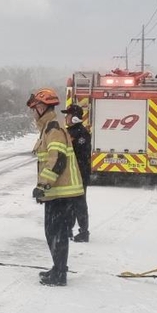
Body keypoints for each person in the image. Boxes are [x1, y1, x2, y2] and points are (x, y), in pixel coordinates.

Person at [27, 88, 85, 286]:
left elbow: (57, 159)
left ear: (42, 107)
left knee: (57, 233)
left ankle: (60, 274)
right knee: (53, 232)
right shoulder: (49, 128)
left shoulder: (53, 129)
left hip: (61, 192)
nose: (33, 112)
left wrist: (43, 184)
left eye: (35, 108)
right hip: (56, 191)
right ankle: (57, 268)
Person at [65, 103, 92, 242]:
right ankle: (68, 229)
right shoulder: (71, 132)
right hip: (73, 173)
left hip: (79, 173)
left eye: (68, 115)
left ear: (75, 117)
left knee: (79, 203)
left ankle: (83, 232)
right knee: (70, 203)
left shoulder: (80, 133)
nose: (66, 117)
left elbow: (80, 155)